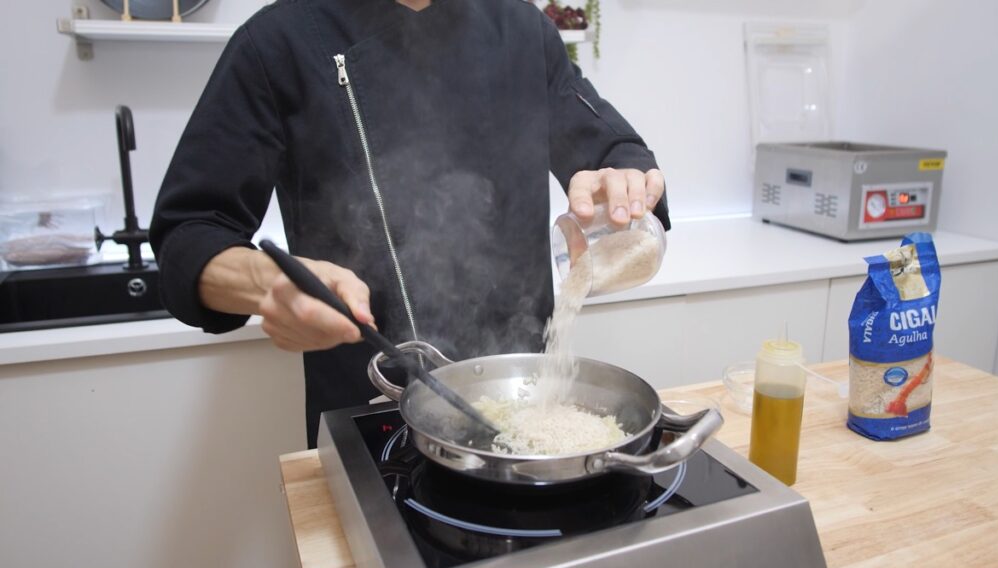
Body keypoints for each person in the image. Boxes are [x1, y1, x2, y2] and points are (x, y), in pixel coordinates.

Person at [150, 0, 671, 448]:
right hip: (370, 409)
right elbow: (189, 233)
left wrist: (621, 187)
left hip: (527, 403)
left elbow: (613, 148)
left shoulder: (521, 29)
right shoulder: (278, 41)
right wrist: (266, 285)